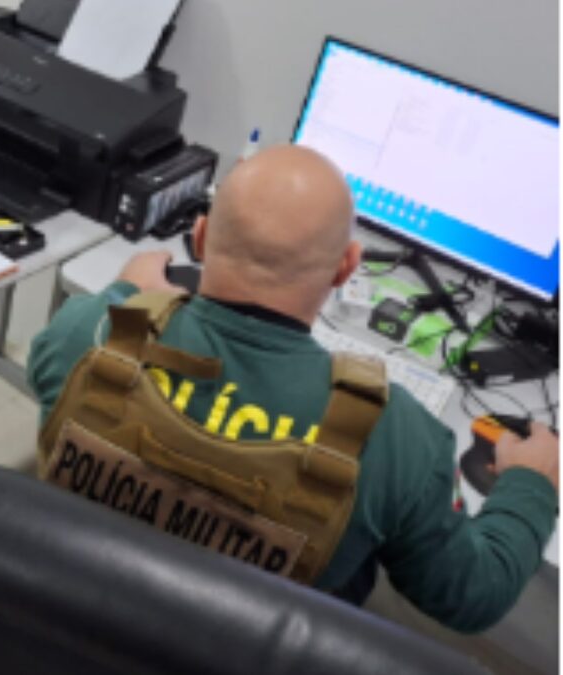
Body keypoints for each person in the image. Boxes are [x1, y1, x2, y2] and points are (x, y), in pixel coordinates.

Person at [28, 145, 558, 633]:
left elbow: (69, 352)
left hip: (64, 620)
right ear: (346, 268)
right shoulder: (399, 438)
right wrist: (532, 483)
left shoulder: (86, 334)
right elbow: (472, 595)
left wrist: (129, 295)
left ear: (201, 238)